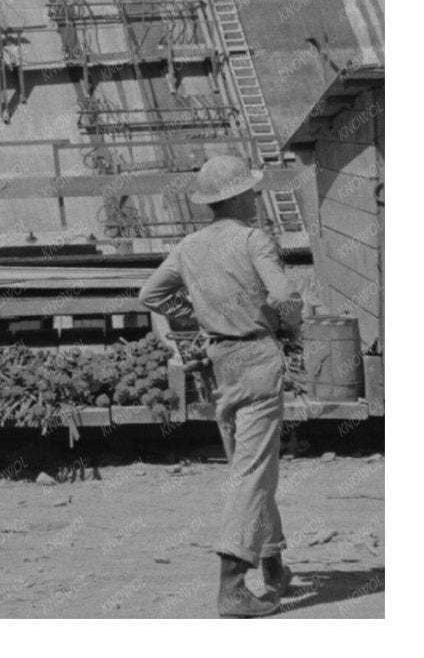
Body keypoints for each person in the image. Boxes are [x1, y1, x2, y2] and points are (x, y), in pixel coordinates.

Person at [139, 153, 303, 616]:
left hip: (220, 360)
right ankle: (232, 586)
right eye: (250, 191)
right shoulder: (254, 240)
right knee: (252, 472)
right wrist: (291, 328)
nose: (256, 196)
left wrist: (203, 318)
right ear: (234, 197)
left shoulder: (189, 246)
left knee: (251, 464)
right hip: (256, 358)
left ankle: (274, 569)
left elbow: (150, 294)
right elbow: (286, 296)